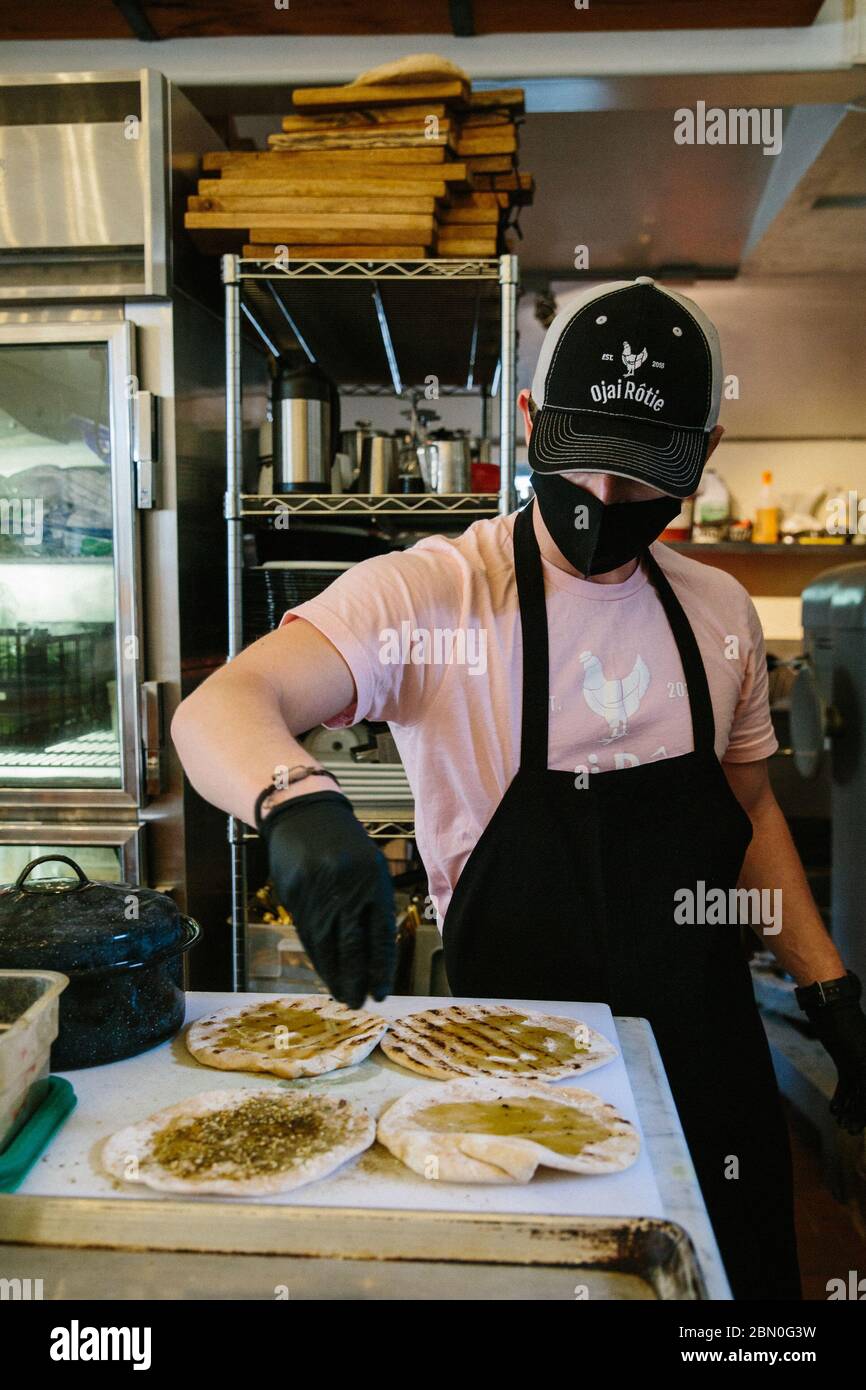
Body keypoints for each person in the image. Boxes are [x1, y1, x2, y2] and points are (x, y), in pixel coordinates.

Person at [172, 277, 866, 1301]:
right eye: (574, 463)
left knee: (739, 1300)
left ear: (702, 453)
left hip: (708, 1051)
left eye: (640, 479)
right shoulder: (435, 591)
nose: (599, 501)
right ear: (531, 425)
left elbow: (748, 806)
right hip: (504, 1065)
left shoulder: (715, 610)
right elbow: (222, 703)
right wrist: (294, 801)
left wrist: (824, 983)